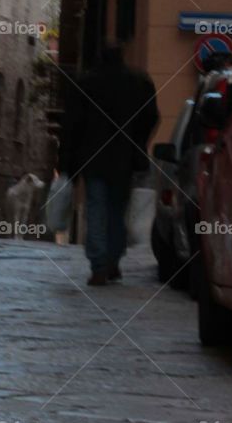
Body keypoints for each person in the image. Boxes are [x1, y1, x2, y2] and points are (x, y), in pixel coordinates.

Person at [61, 43, 159, 286]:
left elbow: (72, 124)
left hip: (93, 158)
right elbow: (151, 117)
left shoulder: (85, 83)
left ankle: (98, 264)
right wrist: (138, 142)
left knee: (96, 208)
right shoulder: (138, 83)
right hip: (124, 158)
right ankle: (113, 259)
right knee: (117, 210)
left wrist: (66, 160)